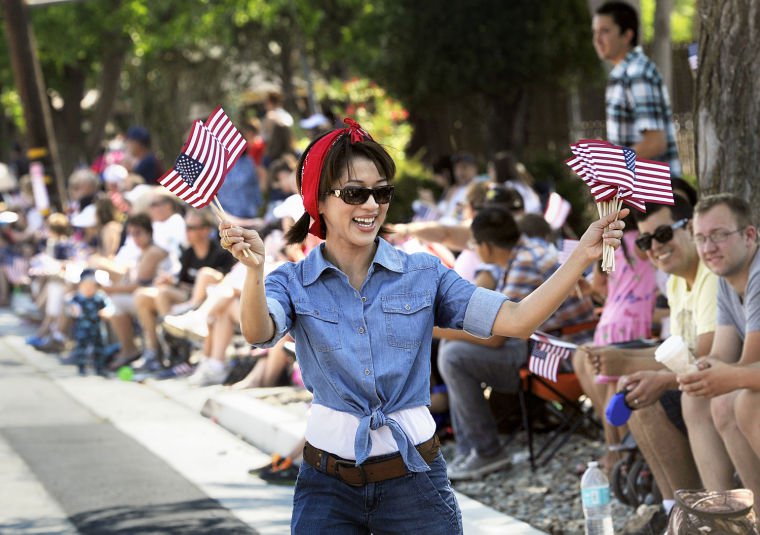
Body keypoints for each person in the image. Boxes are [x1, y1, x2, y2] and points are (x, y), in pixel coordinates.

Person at [217, 118, 625, 533]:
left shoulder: (425, 272)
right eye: (355, 193)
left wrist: (581, 257)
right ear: (318, 201)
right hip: (326, 486)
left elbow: (517, 320)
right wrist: (253, 272)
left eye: (382, 192)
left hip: (415, 483)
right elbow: (258, 332)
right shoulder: (291, 280)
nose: (372, 206)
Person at [573, 196, 714, 524]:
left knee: (643, 394)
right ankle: (674, 511)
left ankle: (693, 516)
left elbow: (706, 352)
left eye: (664, 234)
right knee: (632, 387)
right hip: (701, 380)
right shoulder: (679, 280)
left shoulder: (708, 274)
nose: (655, 247)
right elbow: (678, 351)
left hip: (718, 384)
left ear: (689, 228)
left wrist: (628, 361)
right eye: (648, 240)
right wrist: (624, 360)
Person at [437, 206, 596, 481]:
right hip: (548, 341)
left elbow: (498, 334)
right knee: (451, 349)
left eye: (475, 245)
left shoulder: (524, 263)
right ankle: (470, 449)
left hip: (561, 353)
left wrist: (433, 329)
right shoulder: (525, 250)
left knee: (454, 356)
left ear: (485, 247)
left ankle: (486, 452)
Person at [677, 193, 760, 512]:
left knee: (732, 402)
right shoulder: (725, 280)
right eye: (700, 238)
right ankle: (722, 515)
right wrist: (702, 368)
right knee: (695, 394)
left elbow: (747, 365)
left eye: (719, 235)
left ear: (749, 235)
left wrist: (718, 374)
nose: (708, 247)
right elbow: (722, 352)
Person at [593, 1, 681, 177]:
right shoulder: (623, 73)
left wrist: (610, 166)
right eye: (595, 32)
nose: (597, 40)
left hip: (654, 196)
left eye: (605, 31)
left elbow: (655, 142)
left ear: (627, 35)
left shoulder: (637, 73)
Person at [65, 268, 110, 376]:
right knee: (81, 348)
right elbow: (69, 305)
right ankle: (81, 367)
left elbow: (107, 307)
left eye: (92, 286)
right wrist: (72, 309)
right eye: (86, 286)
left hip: (96, 327)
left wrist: (105, 312)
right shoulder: (77, 298)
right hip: (82, 328)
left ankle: (99, 367)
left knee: (98, 348)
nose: (89, 289)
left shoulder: (99, 298)